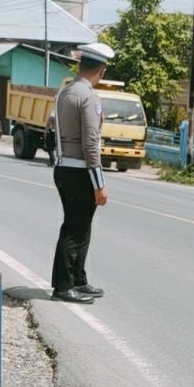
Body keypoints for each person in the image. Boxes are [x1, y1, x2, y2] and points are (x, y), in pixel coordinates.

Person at [50, 42, 115, 304]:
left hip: (65, 166)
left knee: (79, 228)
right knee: (75, 230)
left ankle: (78, 280)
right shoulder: (89, 97)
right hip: (80, 173)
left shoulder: (66, 91)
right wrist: (99, 184)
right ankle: (64, 287)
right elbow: (91, 143)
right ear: (101, 70)